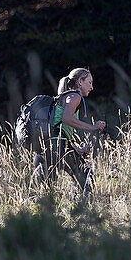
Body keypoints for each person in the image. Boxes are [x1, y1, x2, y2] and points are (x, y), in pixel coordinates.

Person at [34, 67, 106, 195]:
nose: (92, 87)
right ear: (80, 82)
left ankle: (43, 208)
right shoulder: (75, 96)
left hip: (48, 146)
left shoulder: (63, 97)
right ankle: (80, 208)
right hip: (57, 146)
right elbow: (66, 118)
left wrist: (78, 150)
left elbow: (59, 132)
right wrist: (93, 127)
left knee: (46, 186)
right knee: (85, 178)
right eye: (89, 82)